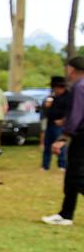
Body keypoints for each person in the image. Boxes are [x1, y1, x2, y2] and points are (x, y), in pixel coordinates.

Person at [43, 55, 84, 226]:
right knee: (71, 177)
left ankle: (66, 214)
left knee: (77, 176)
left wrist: (63, 137)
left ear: (72, 69)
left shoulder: (79, 87)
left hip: (81, 138)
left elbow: (77, 115)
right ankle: (66, 214)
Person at [41, 76, 69, 171]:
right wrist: (46, 106)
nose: (54, 90)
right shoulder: (52, 96)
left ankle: (62, 164)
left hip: (61, 125)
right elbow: (44, 110)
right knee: (47, 145)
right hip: (50, 123)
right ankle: (45, 165)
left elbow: (72, 111)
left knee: (60, 145)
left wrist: (64, 120)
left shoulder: (69, 96)